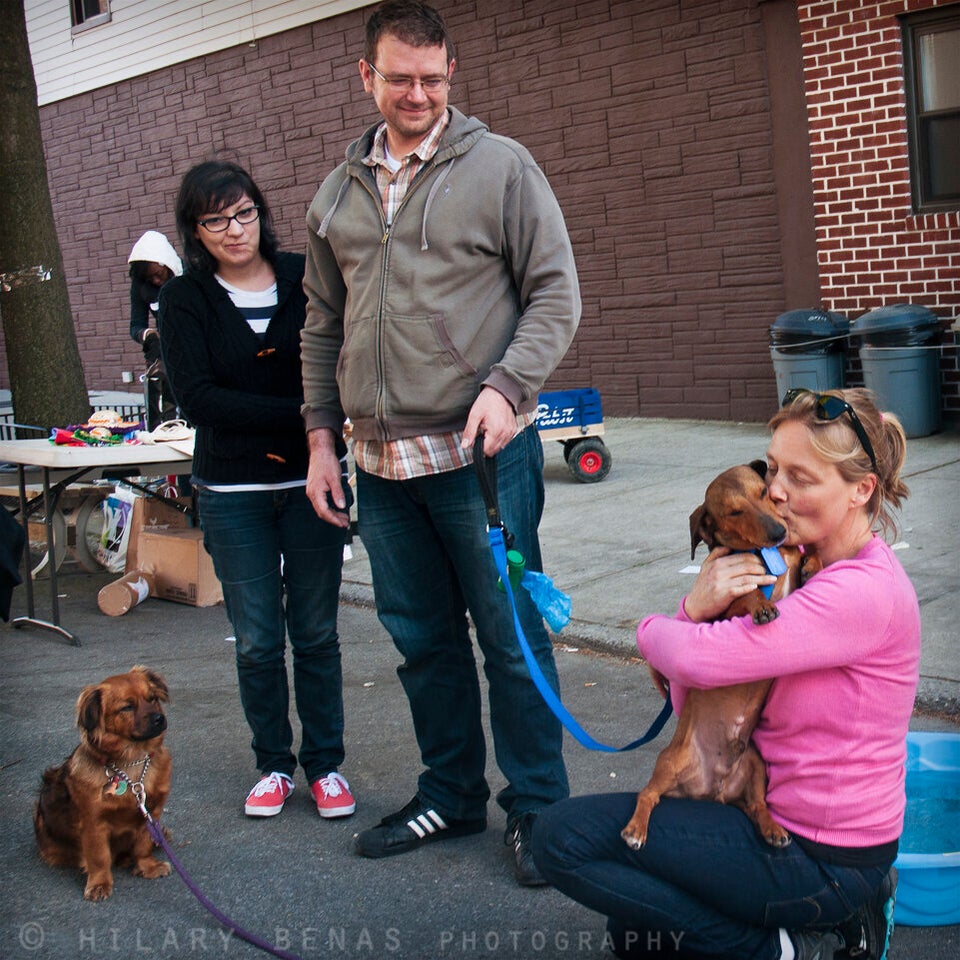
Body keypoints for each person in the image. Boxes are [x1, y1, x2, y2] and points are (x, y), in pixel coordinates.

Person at [300, 0, 581, 885]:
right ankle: (452, 794)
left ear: (450, 74)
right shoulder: (337, 192)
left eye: (432, 77)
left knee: (512, 638)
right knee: (423, 642)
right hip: (382, 468)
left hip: (481, 462)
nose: (416, 93)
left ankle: (539, 810)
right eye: (399, 78)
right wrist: (318, 438)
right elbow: (320, 325)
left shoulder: (502, 167)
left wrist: (507, 388)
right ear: (367, 77)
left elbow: (555, 295)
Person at [532, 388, 919, 959]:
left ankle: (795, 948)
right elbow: (694, 689)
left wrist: (671, 623)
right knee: (637, 934)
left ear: (862, 489)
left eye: (802, 479)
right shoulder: (797, 566)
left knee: (561, 839)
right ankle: (774, 927)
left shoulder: (863, 592)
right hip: (752, 809)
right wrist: (693, 623)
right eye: (774, 471)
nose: (778, 491)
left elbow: (692, 658)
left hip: (822, 856)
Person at [158, 160, 356, 821]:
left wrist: (321, 414)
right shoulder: (185, 299)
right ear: (195, 230)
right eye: (215, 220)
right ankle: (273, 764)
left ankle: (325, 765)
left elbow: (340, 358)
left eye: (243, 213)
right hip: (232, 488)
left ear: (260, 212)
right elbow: (199, 400)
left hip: (313, 481)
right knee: (256, 640)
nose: (234, 230)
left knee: (317, 633)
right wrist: (308, 411)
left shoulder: (305, 275)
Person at [128, 230, 182, 430]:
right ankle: (163, 426)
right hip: (163, 350)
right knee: (161, 380)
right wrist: (147, 335)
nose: (157, 282)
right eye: (151, 279)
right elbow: (135, 326)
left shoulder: (187, 277)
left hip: (191, 345)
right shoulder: (141, 287)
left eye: (158, 275)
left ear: (166, 264)